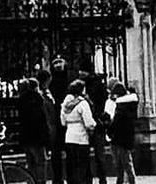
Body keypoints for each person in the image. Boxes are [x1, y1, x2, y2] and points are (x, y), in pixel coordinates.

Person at [61, 79, 97, 184]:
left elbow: (63, 122)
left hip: (69, 136)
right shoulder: (82, 103)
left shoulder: (65, 104)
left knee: (71, 166)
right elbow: (89, 122)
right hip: (81, 138)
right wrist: (93, 127)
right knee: (82, 167)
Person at [103, 81, 138, 184]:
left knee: (121, 163)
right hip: (127, 137)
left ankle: (124, 181)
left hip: (118, 137)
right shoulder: (130, 105)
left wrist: (109, 131)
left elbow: (116, 122)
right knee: (126, 162)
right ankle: (128, 181)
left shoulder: (121, 107)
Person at [17, 78, 50, 182]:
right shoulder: (37, 101)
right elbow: (41, 121)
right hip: (37, 137)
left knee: (30, 162)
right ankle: (40, 181)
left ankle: (31, 180)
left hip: (26, 136)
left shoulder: (22, 101)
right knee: (41, 162)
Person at [84, 70, 109, 184]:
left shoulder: (85, 85)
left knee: (87, 154)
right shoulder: (99, 84)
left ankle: (89, 178)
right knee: (100, 154)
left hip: (89, 123)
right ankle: (102, 179)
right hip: (98, 122)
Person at [49, 56, 70, 184]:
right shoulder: (63, 83)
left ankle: (62, 177)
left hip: (62, 121)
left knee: (62, 152)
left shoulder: (64, 83)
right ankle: (60, 178)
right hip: (60, 121)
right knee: (59, 153)